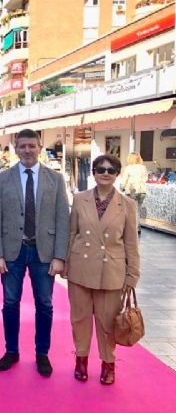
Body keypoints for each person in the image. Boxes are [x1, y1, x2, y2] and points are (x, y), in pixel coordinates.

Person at [0, 128, 70, 377]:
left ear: (40, 147)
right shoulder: (1, 179)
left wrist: (59, 256)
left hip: (43, 252)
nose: (27, 150)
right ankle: (11, 350)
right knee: (10, 303)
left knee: (44, 304)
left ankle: (42, 353)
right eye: (22, 146)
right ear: (15, 148)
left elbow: (62, 219)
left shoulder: (55, 180)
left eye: (31, 146)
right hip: (12, 252)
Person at [65, 154, 140, 385]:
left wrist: (132, 274)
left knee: (108, 322)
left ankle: (108, 364)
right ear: (94, 172)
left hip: (112, 272)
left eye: (111, 169)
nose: (105, 173)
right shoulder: (79, 200)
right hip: (81, 268)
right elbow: (72, 233)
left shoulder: (127, 205)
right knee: (80, 319)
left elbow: (130, 243)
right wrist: (65, 263)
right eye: (100, 169)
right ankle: (81, 360)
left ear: (117, 174)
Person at [119, 152, 148, 237]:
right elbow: (146, 178)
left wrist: (122, 187)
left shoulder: (128, 168)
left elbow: (124, 180)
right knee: (137, 209)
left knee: (130, 211)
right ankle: (138, 228)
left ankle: (133, 228)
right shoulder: (143, 168)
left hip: (132, 191)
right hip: (142, 191)